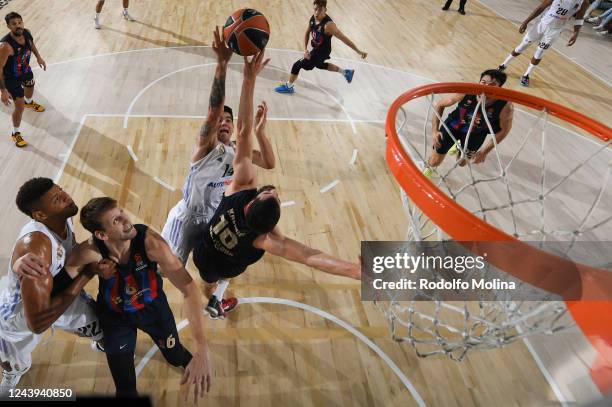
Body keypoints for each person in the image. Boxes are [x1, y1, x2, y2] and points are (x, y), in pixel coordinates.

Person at [195, 50, 361, 319]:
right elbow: (309, 256)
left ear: (251, 199)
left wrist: (249, 80)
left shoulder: (239, 187)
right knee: (220, 278)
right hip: (228, 264)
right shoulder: (264, 240)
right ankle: (216, 299)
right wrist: (353, 271)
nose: (273, 189)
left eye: (269, 192)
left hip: (204, 253)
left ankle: (212, 297)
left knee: (207, 279)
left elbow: (244, 131)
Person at [161, 27, 274, 318]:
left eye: (229, 119)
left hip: (215, 217)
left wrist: (260, 132)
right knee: (165, 273)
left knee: (225, 263)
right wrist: (222, 64)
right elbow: (212, 114)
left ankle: (214, 299)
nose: (223, 122)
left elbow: (270, 162)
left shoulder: (238, 151)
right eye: (220, 119)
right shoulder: (204, 148)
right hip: (187, 218)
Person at [61, 197, 212, 399]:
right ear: (101, 234)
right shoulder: (90, 251)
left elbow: (189, 289)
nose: (126, 220)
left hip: (154, 310)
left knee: (175, 354)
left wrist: (202, 347)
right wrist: (92, 269)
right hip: (116, 319)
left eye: (122, 211)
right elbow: (58, 285)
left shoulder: (151, 242)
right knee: (125, 388)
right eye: (116, 220)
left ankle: (189, 362)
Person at [0, 178, 106, 393]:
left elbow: (69, 251)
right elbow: (37, 322)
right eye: (58, 198)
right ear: (40, 215)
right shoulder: (37, 250)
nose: (66, 197)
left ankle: (103, 341)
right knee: (12, 359)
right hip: (20, 313)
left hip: (54, 288)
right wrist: (86, 273)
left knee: (103, 327)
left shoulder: (62, 218)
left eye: (62, 190)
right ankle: (13, 370)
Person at [423, 69, 514, 177]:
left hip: (476, 134)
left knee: (462, 163)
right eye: (483, 82)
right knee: (435, 161)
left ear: (500, 88)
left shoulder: (506, 106)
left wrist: (485, 151)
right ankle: (427, 170)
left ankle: (458, 147)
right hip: (452, 126)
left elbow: (504, 130)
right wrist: (435, 131)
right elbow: (440, 105)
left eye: (492, 85)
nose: (485, 87)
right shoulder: (466, 92)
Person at [274, 0, 367, 94]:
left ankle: (289, 86)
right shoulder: (313, 18)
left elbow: (344, 39)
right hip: (316, 49)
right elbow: (307, 33)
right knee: (320, 65)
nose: (317, 12)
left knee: (297, 65)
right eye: (315, 9)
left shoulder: (329, 26)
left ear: (325, 10)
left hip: (322, 51)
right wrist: (305, 49)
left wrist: (358, 51)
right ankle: (346, 72)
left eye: (320, 10)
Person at [498, 0, 589, 87]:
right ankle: (503, 65)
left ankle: (526, 75)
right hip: (541, 25)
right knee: (522, 46)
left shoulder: (584, 2)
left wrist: (576, 33)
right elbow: (541, 8)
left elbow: (579, 18)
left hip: (554, 30)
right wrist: (526, 22)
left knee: (540, 52)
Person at [0, 12, 46, 148]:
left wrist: (38, 57)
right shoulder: (5, 46)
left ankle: (29, 102)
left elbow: (31, 45)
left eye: (19, 22)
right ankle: (15, 133)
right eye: (14, 24)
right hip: (11, 78)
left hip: (25, 70)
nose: (18, 25)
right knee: (19, 107)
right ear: (8, 26)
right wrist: (3, 90)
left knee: (30, 87)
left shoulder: (26, 33)